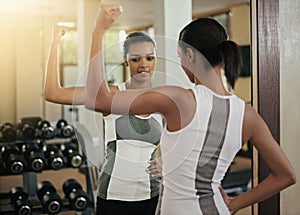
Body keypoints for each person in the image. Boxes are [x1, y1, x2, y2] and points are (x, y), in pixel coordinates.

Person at [84, 4, 296, 215]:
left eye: (179, 56)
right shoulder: (248, 115)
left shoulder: (178, 99)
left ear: (190, 55)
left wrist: (99, 31)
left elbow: (99, 99)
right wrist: (235, 204)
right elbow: (286, 176)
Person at [44, 25, 163, 215]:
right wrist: (55, 43)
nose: (144, 64)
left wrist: (165, 163)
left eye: (150, 58)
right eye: (136, 59)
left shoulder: (161, 101)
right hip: (115, 196)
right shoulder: (110, 95)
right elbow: (53, 93)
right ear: (126, 61)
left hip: (151, 196)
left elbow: (165, 145)